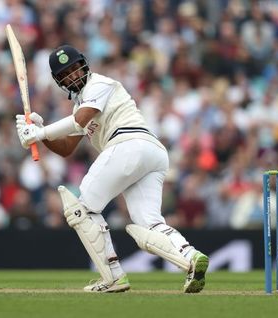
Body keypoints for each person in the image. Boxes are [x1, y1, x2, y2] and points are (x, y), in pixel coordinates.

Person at [15, 45, 209, 293]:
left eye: (75, 69)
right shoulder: (80, 105)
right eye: (66, 74)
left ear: (85, 65)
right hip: (150, 154)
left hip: (129, 144)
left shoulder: (100, 84)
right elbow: (65, 148)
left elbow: (79, 120)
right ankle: (191, 258)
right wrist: (41, 133)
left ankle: (113, 277)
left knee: (81, 210)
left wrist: (40, 132)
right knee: (149, 224)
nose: (73, 76)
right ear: (59, 81)